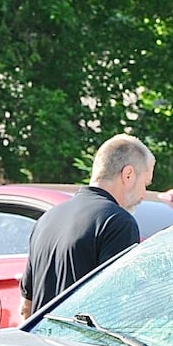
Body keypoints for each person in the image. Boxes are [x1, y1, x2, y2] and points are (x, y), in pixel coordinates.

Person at [19, 134, 155, 318]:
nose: (143, 194)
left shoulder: (47, 218)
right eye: (145, 183)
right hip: (83, 345)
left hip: (43, 344)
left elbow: (26, 307)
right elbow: (119, 307)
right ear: (128, 174)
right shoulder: (117, 222)